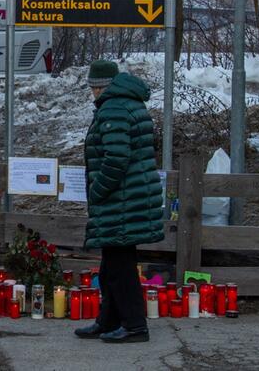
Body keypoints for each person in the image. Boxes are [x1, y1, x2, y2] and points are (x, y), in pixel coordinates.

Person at [74, 60, 163, 344]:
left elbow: (116, 158)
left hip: (121, 199)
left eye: (93, 88)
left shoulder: (113, 108)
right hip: (129, 197)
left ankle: (135, 326)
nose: (92, 94)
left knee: (121, 265)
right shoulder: (129, 103)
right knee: (112, 264)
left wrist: (98, 191)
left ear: (99, 86)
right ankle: (108, 319)